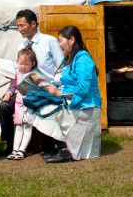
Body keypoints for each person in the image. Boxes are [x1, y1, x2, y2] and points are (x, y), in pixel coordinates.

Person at [0, 9, 64, 156]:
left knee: (44, 104)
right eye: (17, 26)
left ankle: (51, 144)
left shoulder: (49, 41)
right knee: (4, 106)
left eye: (22, 25)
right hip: (24, 91)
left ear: (33, 24)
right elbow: (16, 73)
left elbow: (60, 66)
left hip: (45, 89)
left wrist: (57, 89)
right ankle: (11, 144)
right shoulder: (21, 47)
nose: (19, 29)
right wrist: (2, 68)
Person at [27, 25, 102, 163]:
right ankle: (62, 148)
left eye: (61, 41)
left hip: (85, 107)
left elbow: (83, 88)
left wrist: (59, 93)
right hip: (70, 104)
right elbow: (57, 82)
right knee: (35, 106)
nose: (59, 44)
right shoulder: (66, 60)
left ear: (71, 40)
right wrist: (39, 86)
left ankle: (65, 150)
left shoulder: (83, 59)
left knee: (48, 110)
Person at [6, 48, 39, 160]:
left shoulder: (34, 75)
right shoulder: (17, 75)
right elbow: (12, 86)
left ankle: (22, 150)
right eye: (21, 64)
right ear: (17, 62)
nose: (23, 66)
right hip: (19, 104)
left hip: (30, 104)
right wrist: (8, 94)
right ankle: (15, 149)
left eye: (26, 64)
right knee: (19, 126)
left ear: (32, 63)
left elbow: (42, 88)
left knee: (27, 127)